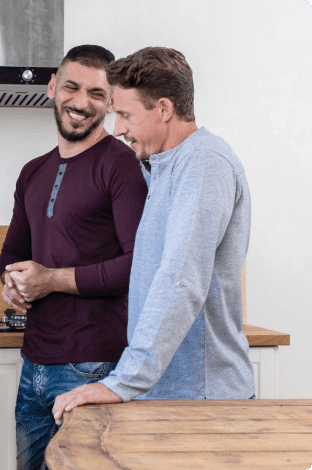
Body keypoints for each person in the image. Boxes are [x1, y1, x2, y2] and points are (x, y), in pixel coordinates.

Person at [52, 47, 255, 424]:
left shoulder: (204, 162)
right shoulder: (163, 166)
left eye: (126, 115)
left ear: (163, 109)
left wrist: (123, 382)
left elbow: (182, 279)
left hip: (201, 400)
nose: (118, 129)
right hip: (170, 393)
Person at [0, 45, 148, 470]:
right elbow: (12, 252)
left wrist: (51, 280)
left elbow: (138, 265)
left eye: (97, 94)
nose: (82, 103)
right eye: (72, 87)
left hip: (94, 365)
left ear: (112, 101)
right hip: (33, 365)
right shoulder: (32, 171)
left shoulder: (123, 165)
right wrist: (13, 283)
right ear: (52, 87)